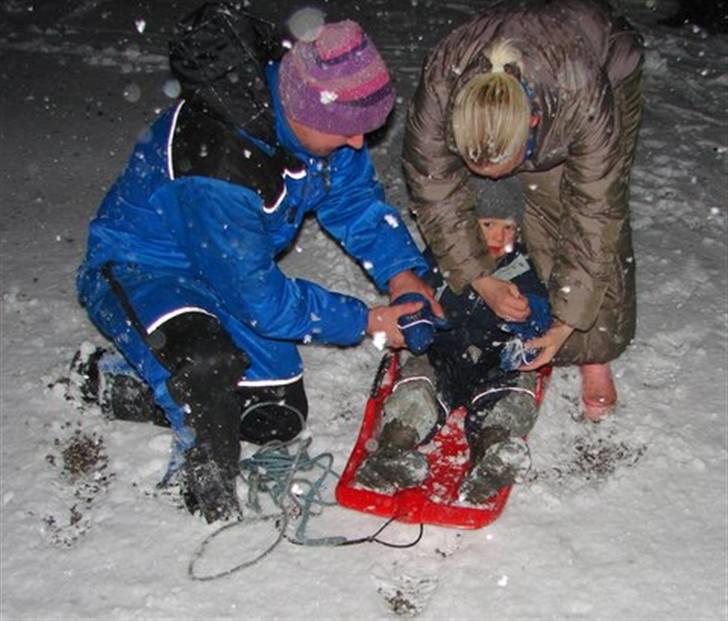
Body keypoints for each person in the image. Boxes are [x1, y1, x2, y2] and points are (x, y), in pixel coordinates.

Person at [75, 4, 441, 523]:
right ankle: (180, 441)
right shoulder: (217, 161)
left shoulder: (322, 116)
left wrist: (401, 271)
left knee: (275, 415)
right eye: (348, 131)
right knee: (207, 371)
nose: (360, 142)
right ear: (302, 111)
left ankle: (132, 385)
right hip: (141, 268)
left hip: (224, 269)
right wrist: (367, 320)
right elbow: (260, 298)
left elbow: (353, 202)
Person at [402, 0, 644, 422]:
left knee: (562, 206)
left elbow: (595, 213)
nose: (496, 179)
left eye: (503, 167)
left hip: (605, 66)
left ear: (531, 125)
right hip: (523, 66)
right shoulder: (442, 88)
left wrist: (568, 323)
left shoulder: (579, 95)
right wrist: (481, 279)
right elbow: (435, 190)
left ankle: (596, 353)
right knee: (475, 211)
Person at [356, 188, 552, 503]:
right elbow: (415, 296)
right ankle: (392, 451)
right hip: (443, 350)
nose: (498, 236)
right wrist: (419, 322)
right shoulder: (441, 259)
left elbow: (543, 310)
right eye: (487, 225)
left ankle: (492, 454)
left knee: (512, 393)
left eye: (508, 228)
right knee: (419, 387)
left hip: (495, 357)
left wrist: (527, 314)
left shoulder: (523, 266)